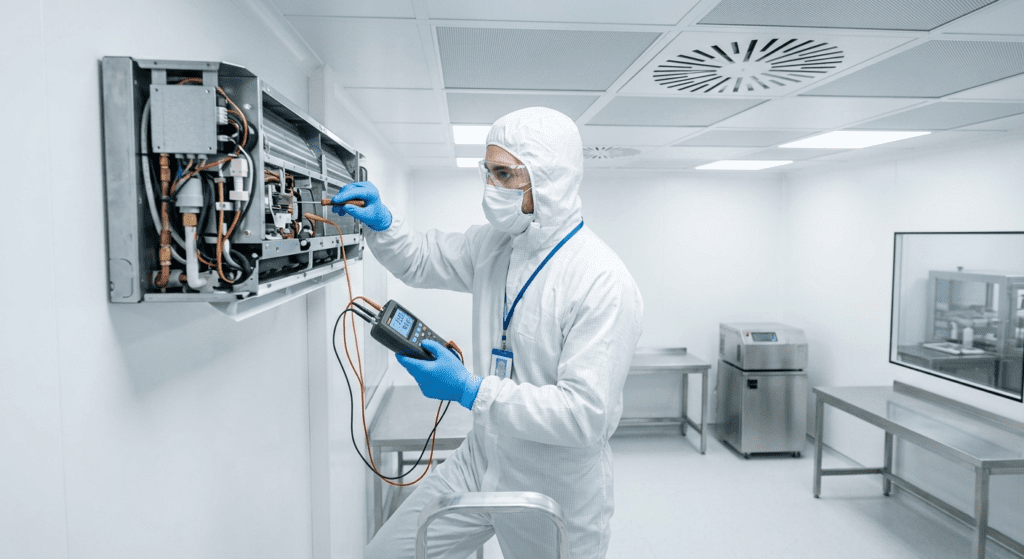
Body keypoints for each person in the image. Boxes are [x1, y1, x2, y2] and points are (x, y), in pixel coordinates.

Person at [333, 107, 643, 559]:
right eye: (488, 172)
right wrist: (384, 224)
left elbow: (584, 416)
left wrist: (471, 390)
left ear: (548, 179)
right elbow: (422, 258)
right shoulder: (496, 245)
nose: (490, 188)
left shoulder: (600, 280)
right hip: (482, 458)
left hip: (554, 485)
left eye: (504, 174)